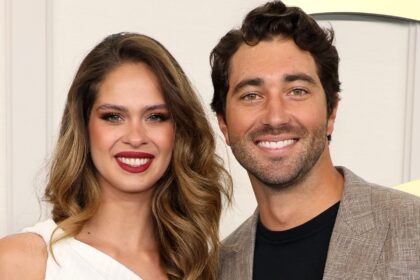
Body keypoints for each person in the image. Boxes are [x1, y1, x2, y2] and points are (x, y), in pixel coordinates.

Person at [210, 1, 420, 279]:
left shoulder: (412, 230)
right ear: (223, 123)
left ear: (331, 111)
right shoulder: (217, 268)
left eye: (296, 91)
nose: (275, 117)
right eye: (251, 95)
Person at [0, 32, 231, 280]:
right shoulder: (23, 262)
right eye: (113, 116)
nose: (135, 137)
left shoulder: (198, 269)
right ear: (84, 128)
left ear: (178, 131)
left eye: (156, 117)